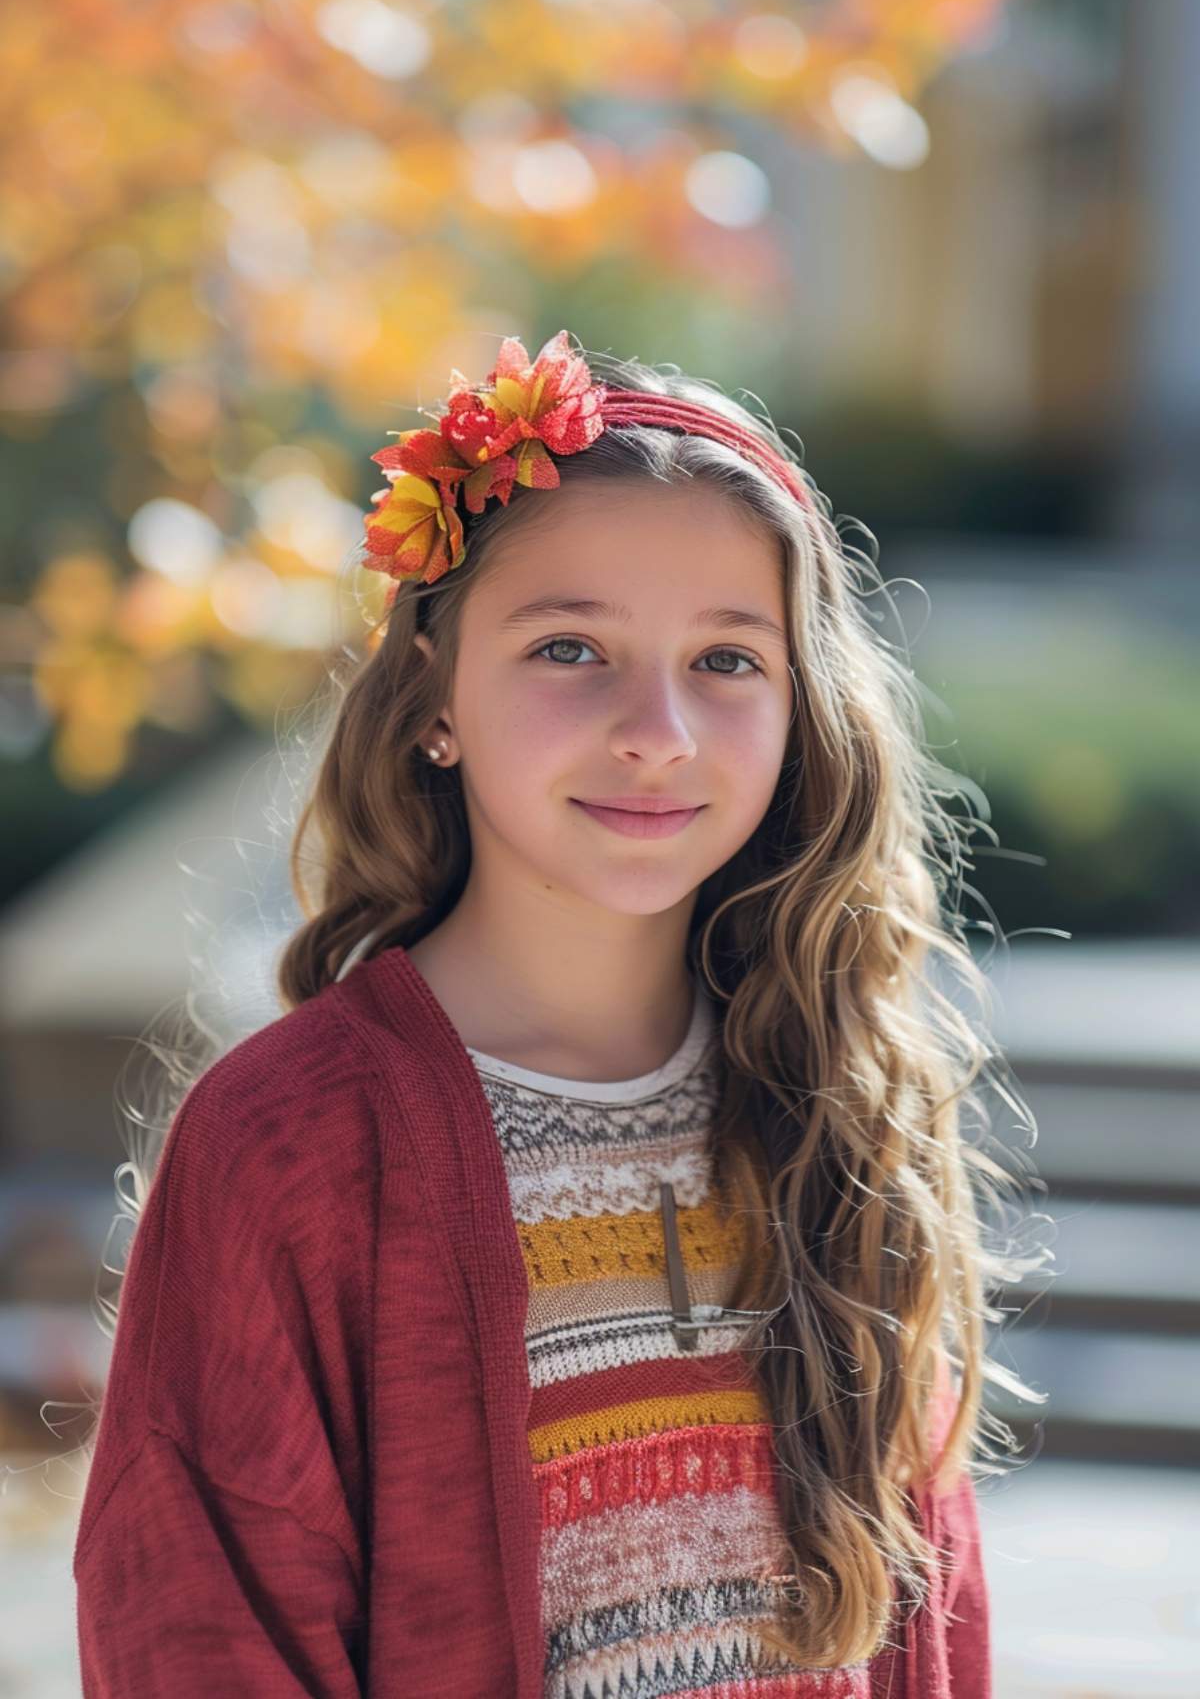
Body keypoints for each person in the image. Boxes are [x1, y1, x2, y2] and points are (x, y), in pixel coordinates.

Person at [73, 329, 1027, 1696]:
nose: (658, 730)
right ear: (434, 702)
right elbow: (196, 1625)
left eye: (727, 660)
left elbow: (944, 1620)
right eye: (570, 647)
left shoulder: (845, 1108)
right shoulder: (292, 1142)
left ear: (806, 708)